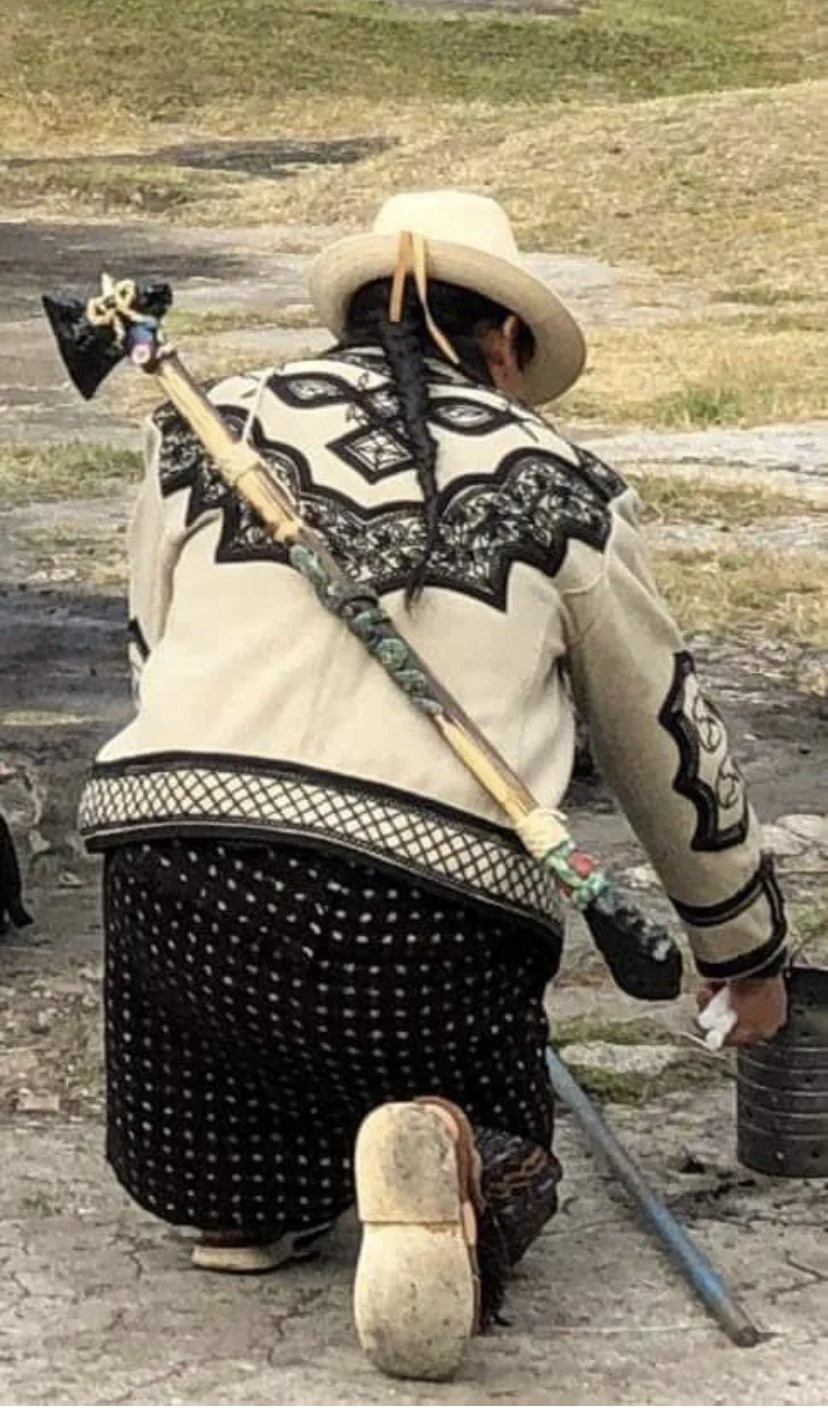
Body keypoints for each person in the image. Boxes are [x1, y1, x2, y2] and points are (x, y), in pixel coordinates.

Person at [79, 190, 788, 1382]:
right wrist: (742, 948)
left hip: (178, 886)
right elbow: (661, 732)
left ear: (351, 318)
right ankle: (453, 1151)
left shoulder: (211, 425)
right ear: (506, 342)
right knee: (504, 1128)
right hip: (414, 939)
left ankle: (239, 1210)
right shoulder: (566, 483)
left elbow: (156, 650)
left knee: (221, 1112)